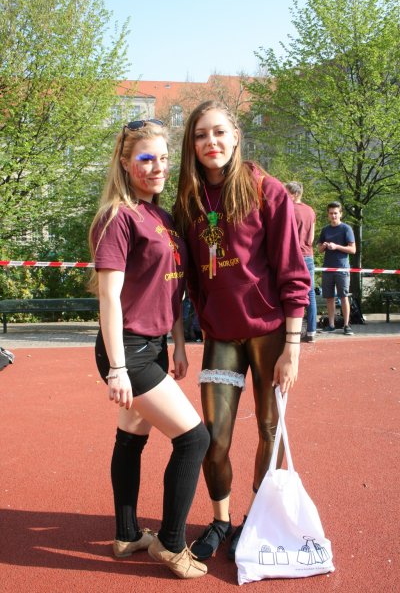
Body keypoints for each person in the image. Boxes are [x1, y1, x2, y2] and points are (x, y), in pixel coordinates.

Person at [173, 100, 311, 561]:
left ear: (235, 135)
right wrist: (191, 328)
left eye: (218, 132)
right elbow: (188, 277)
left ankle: (258, 517)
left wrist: (292, 348)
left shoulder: (267, 191)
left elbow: (293, 272)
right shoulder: (189, 201)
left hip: (270, 333)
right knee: (214, 439)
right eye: (200, 135)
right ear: (191, 145)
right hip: (221, 336)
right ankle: (221, 521)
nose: (210, 142)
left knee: (271, 429)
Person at [88, 119, 210, 579]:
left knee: (131, 438)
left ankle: (127, 536)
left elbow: (171, 287)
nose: (157, 167)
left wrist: (177, 343)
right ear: (125, 162)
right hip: (127, 349)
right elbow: (109, 298)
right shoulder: (117, 217)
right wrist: (117, 368)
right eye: (146, 158)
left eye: (163, 158)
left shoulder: (162, 217)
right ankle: (171, 544)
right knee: (194, 438)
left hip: (154, 344)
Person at [285, 181, 317, 343]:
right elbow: (312, 238)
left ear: (295, 194)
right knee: (310, 293)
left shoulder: (288, 208)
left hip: (292, 255)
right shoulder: (310, 211)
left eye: (287, 193)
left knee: (289, 292)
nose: (284, 195)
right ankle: (311, 331)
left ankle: (289, 332)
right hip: (308, 255)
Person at [317, 201, 356, 335]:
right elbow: (319, 249)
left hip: (342, 268)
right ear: (328, 215)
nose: (333, 216)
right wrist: (324, 246)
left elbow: (353, 250)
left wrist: (336, 246)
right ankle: (331, 324)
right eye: (331, 213)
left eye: (335, 213)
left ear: (340, 214)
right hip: (327, 268)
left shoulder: (346, 229)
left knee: (344, 296)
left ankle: (346, 325)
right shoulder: (325, 230)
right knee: (329, 297)